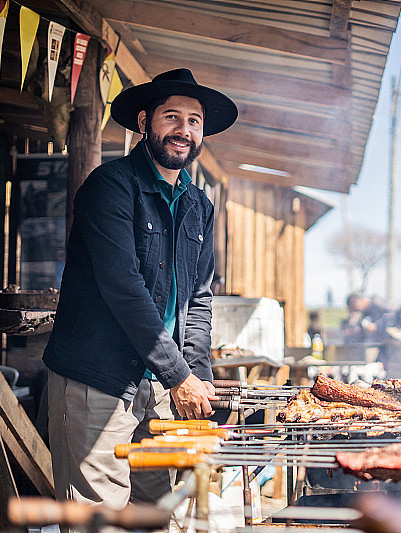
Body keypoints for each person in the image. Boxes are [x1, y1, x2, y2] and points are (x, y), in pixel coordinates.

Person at [43, 69, 238, 508]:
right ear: (145, 122)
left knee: (157, 511)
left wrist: (198, 379)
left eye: (194, 121)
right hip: (99, 378)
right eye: (172, 117)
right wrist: (180, 376)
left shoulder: (199, 205)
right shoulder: (110, 187)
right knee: (100, 513)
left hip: (161, 386)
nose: (183, 130)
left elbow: (199, 299)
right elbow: (124, 288)